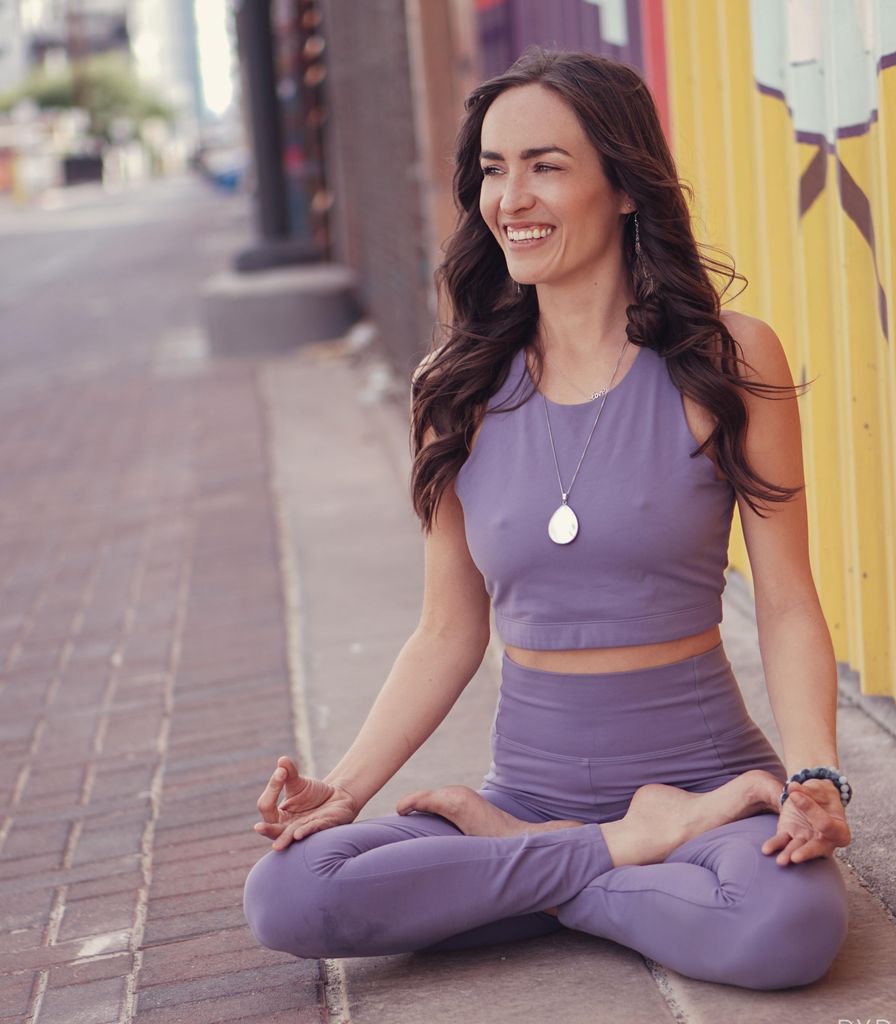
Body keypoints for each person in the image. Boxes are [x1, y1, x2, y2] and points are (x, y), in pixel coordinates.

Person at [243, 46, 852, 991]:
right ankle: (619, 852)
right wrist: (345, 790)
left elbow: (785, 602)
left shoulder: (728, 360)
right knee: (289, 894)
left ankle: (536, 868)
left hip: (708, 782)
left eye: (546, 165)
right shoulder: (456, 388)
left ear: (622, 185)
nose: (510, 198)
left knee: (788, 930)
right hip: (528, 791)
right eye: (493, 169)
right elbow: (447, 629)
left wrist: (816, 777)